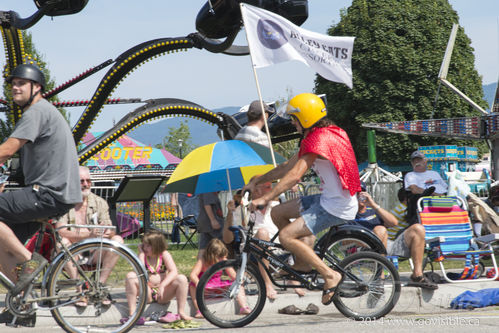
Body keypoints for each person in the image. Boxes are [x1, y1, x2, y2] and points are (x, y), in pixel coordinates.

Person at [244, 92, 361, 306]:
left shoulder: (319, 139)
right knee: (278, 212)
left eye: (294, 118)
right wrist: (258, 182)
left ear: (306, 118)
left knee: (286, 237)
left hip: (336, 207)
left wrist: (266, 197)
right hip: (328, 199)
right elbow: (285, 168)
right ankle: (304, 261)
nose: (291, 122)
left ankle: (329, 275)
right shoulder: (322, 135)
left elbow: (294, 176)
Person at [0, 64, 81, 326]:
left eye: (22, 83)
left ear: (37, 88)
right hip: (49, 193)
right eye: (13, 83)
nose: (15, 87)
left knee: (22, 258)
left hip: (48, 194)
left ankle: (29, 263)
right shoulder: (42, 112)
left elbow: (8, 149)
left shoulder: (36, 112)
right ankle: (23, 308)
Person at [55, 166, 124, 307]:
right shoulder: (64, 203)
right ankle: (80, 291)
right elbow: (60, 230)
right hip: (72, 253)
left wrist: (106, 232)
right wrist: (89, 234)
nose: (86, 184)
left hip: (95, 252)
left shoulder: (100, 203)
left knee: (117, 240)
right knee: (61, 242)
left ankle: (99, 288)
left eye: (88, 181)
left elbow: (111, 230)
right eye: (81, 181)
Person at [123, 230, 191, 325]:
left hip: (162, 293)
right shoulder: (143, 256)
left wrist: (163, 285)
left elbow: (173, 271)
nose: (145, 248)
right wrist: (141, 254)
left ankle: (181, 312)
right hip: (147, 293)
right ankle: (133, 314)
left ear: (157, 246)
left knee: (182, 279)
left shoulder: (164, 254)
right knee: (130, 276)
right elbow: (139, 272)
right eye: (144, 245)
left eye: (148, 246)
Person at [387, 188, 438, 289]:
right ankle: (417, 275)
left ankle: (417, 274)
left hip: (396, 239)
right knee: (417, 229)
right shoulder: (403, 209)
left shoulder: (401, 208)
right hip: (394, 241)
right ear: (408, 199)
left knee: (418, 230)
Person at [189, 238, 251, 318]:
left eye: (222, 257)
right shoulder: (203, 261)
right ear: (210, 255)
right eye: (219, 257)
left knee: (238, 284)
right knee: (192, 285)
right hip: (205, 288)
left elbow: (233, 276)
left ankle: (243, 307)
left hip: (218, 287)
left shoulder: (223, 260)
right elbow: (193, 275)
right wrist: (198, 283)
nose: (221, 259)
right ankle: (200, 310)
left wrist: (239, 280)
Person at [404, 151, 448, 224]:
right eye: (414, 161)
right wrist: (435, 194)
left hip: (445, 200)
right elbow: (415, 190)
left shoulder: (434, 173)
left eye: (419, 160)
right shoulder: (410, 175)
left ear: (425, 161)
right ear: (412, 163)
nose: (417, 162)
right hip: (427, 202)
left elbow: (446, 187)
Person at [354, 182, 398, 249]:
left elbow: (394, 223)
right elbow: (344, 241)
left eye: (362, 192)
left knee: (416, 229)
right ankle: (379, 258)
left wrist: (373, 205)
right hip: (359, 247)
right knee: (380, 230)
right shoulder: (348, 214)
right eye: (357, 193)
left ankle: (379, 258)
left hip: (382, 244)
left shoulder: (373, 210)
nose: (360, 196)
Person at [197, 191, 224, 259]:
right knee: (222, 244)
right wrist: (213, 220)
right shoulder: (208, 189)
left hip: (205, 222)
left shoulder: (206, 188)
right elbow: (207, 204)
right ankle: (223, 265)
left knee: (203, 246)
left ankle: (200, 266)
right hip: (210, 222)